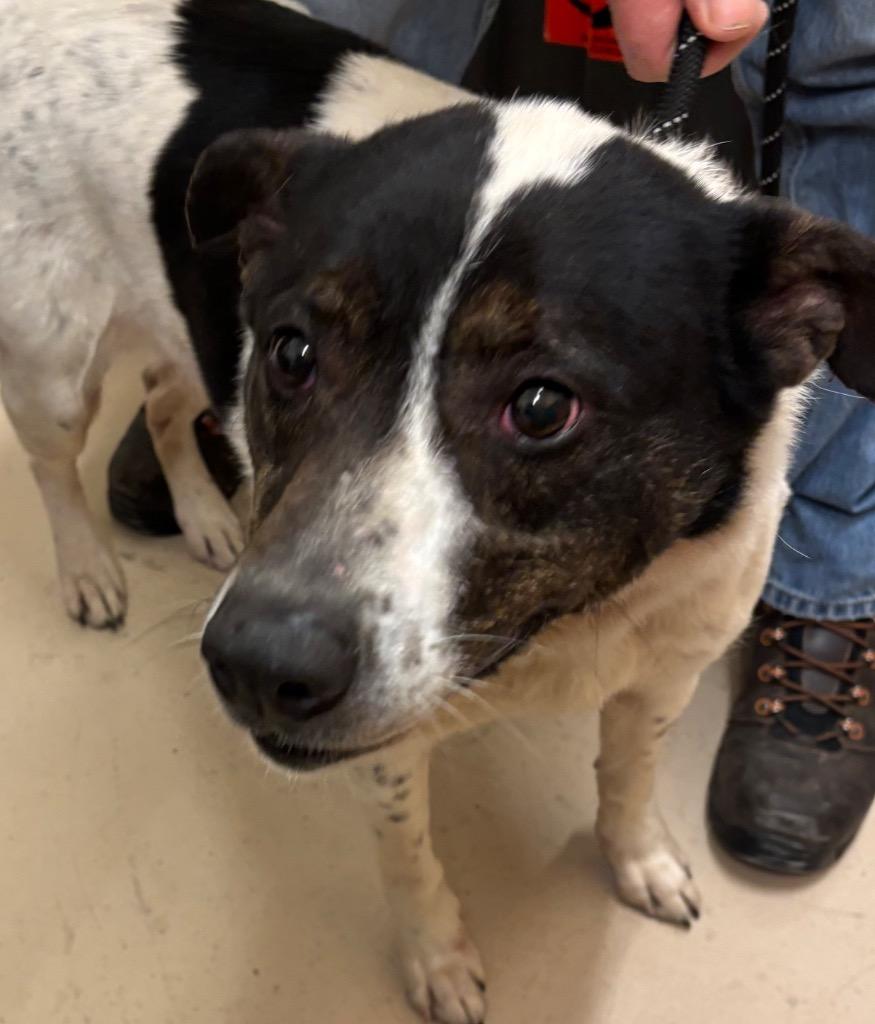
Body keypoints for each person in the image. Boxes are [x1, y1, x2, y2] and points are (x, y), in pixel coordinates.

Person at [111, 0, 875, 875]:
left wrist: (625, 831)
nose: (270, 637)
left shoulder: (721, 307)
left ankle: (825, 595)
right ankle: (216, 393)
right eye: (294, 358)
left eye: (538, 409)